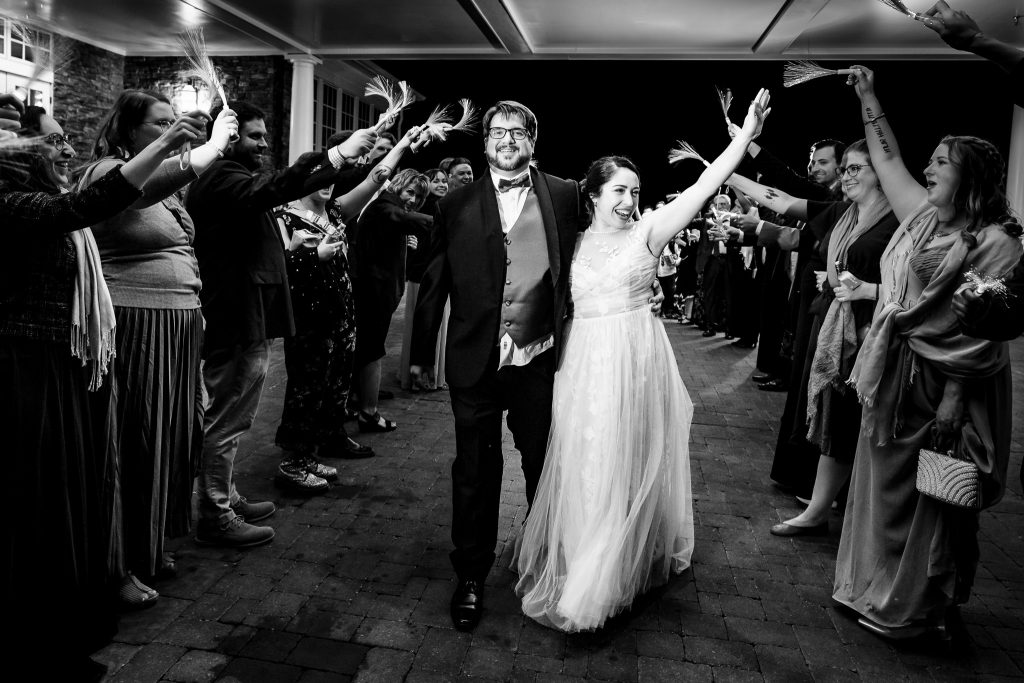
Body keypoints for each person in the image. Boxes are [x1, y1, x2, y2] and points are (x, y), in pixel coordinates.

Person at [515, 89, 771, 632]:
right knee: (584, 458)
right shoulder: (571, 241)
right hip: (582, 363)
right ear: (592, 196)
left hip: (635, 359)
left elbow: (704, 188)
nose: (629, 200)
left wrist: (743, 137)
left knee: (622, 458)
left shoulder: (650, 232)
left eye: (634, 190)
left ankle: (608, 572)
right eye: (618, 191)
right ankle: (583, 555)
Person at [0, 102, 205, 680]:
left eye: (68, 139)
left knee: (60, 497)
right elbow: (83, 206)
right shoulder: (12, 201)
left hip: (56, 366)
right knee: (33, 504)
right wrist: (168, 143)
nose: (67, 149)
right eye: (52, 141)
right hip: (22, 372)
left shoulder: (34, 192)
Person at [834, 65, 1022, 639]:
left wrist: (954, 402)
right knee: (883, 485)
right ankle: (869, 585)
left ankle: (917, 609)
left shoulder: (998, 242)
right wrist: (869, 97)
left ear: (969, 175)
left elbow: (982, 333)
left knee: (933, 495)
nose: (926, 167)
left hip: (949, 387)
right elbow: (886, 158)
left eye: (941, 161)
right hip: (896, 375)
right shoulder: (923, 217)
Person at [186, 102, 376, 546]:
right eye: (255, 135)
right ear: (229, 137)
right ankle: (215, 513)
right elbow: (274, 188)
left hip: (249, 315)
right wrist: (335, 156)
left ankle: (227, 496)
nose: (265, 143)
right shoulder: (219, 176)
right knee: (225, 418)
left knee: (233, 417)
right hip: (234, 316)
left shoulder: (232, 178)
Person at [81, 91, 238, 606]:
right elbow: (136, 191)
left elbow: (171, 188)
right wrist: (195, 147)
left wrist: (206, 147)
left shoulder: (164, 181)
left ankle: (149, 544)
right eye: (159, 124)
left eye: (174, 121)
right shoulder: (108, 171)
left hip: (176, 324)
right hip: (135, 322)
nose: (171, 130)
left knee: (172, 438)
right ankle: (115, 562)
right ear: (128, 131)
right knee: (135, 439)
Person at [731, 140, 900, 536]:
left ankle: (865, 513)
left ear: (882, 173)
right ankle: (818, 510)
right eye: (847, 169)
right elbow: (784, 200)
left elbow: (907, 280)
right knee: (835, 412)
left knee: (866, 420)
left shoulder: (898, 220)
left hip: (871, 328)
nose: (848, 175)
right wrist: (725, 172)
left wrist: (870, 292)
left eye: (858, 168)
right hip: (833, 323)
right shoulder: (842, 211)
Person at [275, 130, 424, 492]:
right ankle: (292, 463)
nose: (326, 184)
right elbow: (278, 267)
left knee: (334, 388)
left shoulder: (335, 213)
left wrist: (402, 146)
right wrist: (313, 255)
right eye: (318, 178)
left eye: (330, 178)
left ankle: (312, 453)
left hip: (339, 314)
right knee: (306, 389)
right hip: (308, 319)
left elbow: (376, 178)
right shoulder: (284, 215)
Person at [353, 168, 432, 432]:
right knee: (372, 351)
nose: (413, 200)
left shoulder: (391, 210)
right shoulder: (385, 206)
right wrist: (444, 221)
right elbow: (397, 216)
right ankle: (368, 412)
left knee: (367, 349)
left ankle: (358, 402)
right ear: (398, 185)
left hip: (379, 292)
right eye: (410, 192)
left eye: (419, 197)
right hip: (372, 292)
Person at [400, 167, 449, 391]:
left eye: (444, 180)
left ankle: (431, 375)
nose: (441, 184)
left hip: (438, 274)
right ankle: (416, 376)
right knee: (420, 326)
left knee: (435, 329)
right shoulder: (423, 210)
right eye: (435, 180)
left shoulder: (446, 206)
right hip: (420, 274)